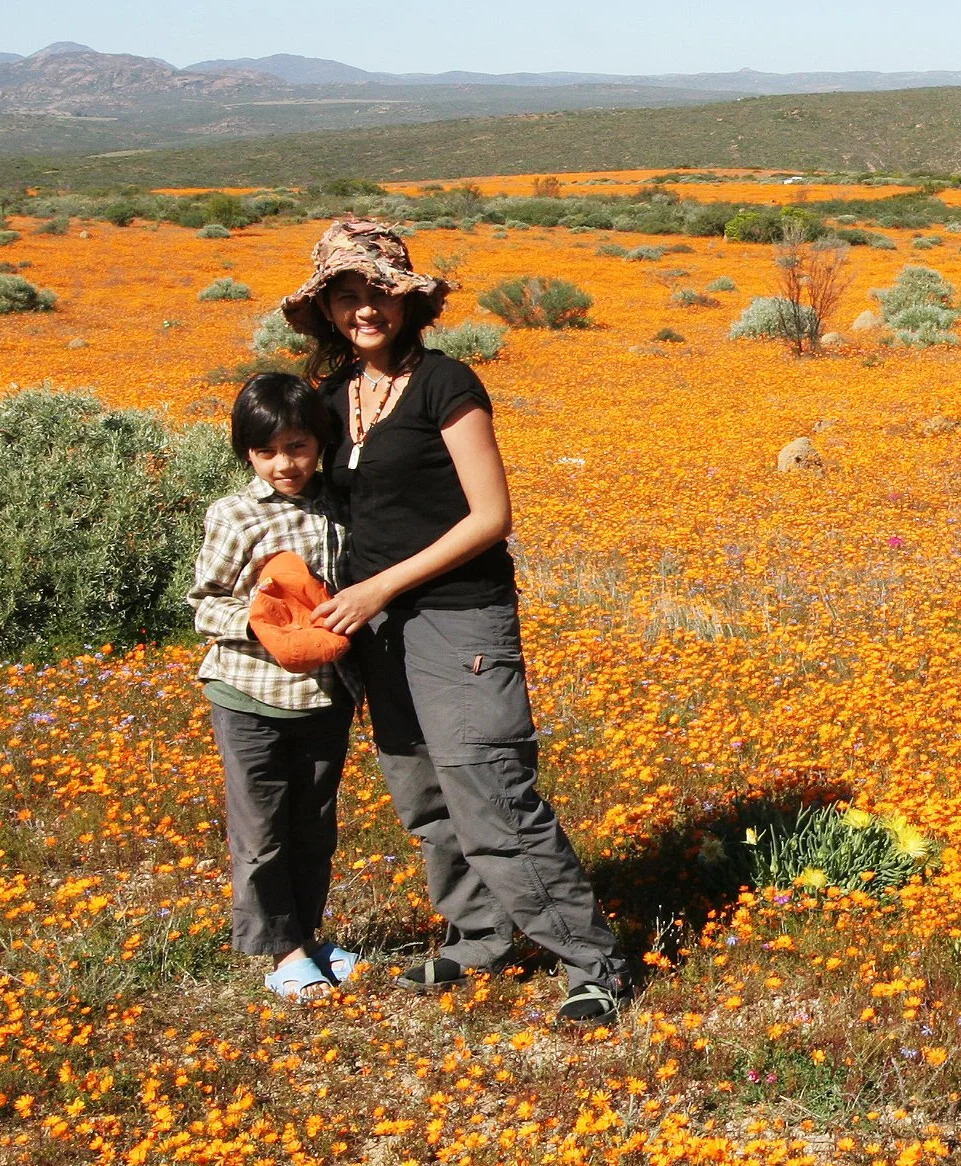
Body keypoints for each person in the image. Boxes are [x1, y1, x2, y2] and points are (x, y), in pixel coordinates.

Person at [280, 218, 630, 1026]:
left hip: (459, 618)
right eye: (347, 296)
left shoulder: (446, 383)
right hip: (373, 633)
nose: (365, 310)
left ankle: (594, 961)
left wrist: (379, 589)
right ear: (328, 309)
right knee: (426, 796)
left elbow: (490, 517)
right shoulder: (333, 401)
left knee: (491, 790)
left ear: (407, 302)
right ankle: (479, 938)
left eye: (378, 294)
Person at [187, 374, 359, 1001]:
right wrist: (267, 625)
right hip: (249, 695)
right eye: (267, 452)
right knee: (262, 830)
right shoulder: (233, 516)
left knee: (314, 825)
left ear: (320, 444)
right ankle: (282, 953)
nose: (284, 464)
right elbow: (204, 605)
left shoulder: (339, 505)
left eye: (298, 447)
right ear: (247, 453)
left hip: (325, 695)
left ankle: (310, 936)